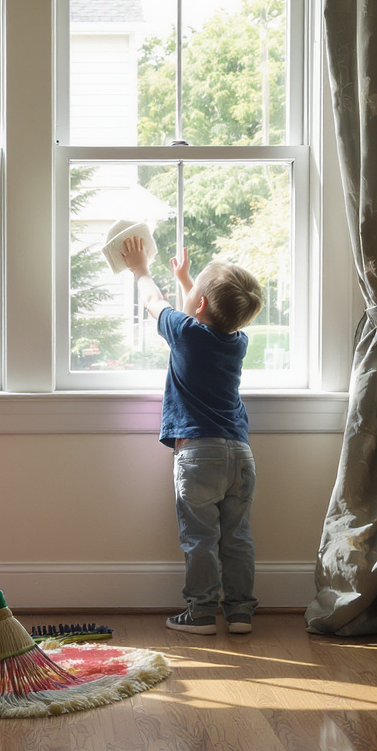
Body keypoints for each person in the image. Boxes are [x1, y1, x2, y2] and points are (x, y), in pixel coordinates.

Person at [121, 235, 263, 635]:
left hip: (199, 455)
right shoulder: (237, 342)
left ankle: (201, 612)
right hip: (240, 454)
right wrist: (188, 281)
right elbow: (208, 317)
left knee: (200, 538)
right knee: (237, 537)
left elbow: (153, 303)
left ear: (198, 305)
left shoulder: (184, 332)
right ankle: (239, 613)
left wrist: (140, 270)